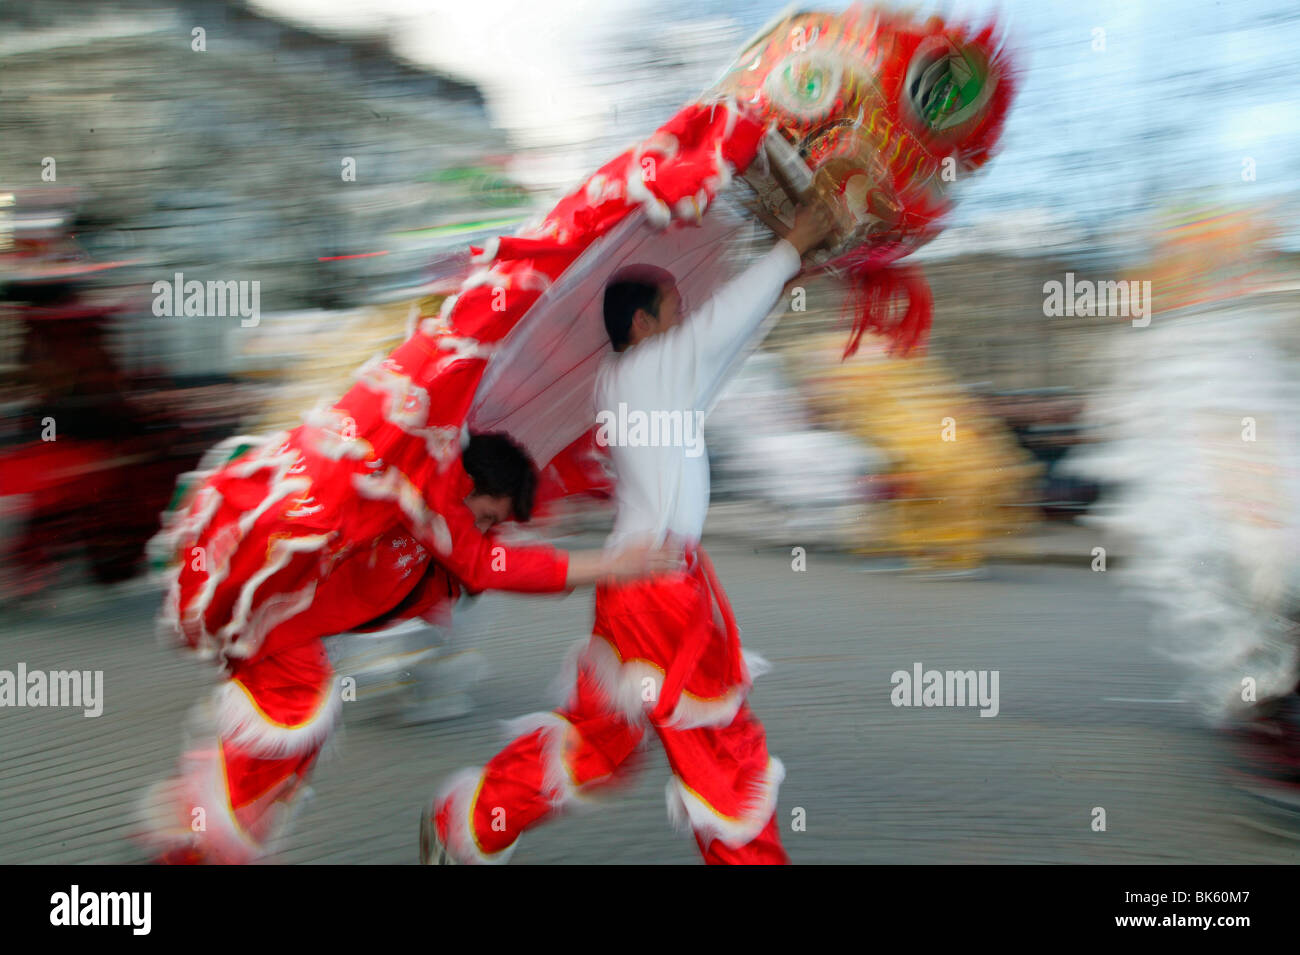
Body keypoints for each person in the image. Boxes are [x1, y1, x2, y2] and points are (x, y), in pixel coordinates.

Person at [422, 202, 833, 865]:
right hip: (661, 587)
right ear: (643, 324)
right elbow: (717, 331)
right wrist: (792, 245)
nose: (685, 320)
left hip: (634, 583)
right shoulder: (653, 369)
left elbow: (715, 359)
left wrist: (781, 288)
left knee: (602, 743)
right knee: (721, 749)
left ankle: (474, 818)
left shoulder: (631, 380)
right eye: (675, 310)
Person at [139, 427, 671, 865]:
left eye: (493, 524)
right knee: (286, 731)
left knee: (286, 761)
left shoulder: (446, 534)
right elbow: (491, 564)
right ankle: (189, 840)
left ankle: (189, 836)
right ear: (461, 485)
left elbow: (497, 562)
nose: (483, 531)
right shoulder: (420, 504)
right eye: (483, 516)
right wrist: (611, 565)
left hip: (290, 636)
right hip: (273, 629)